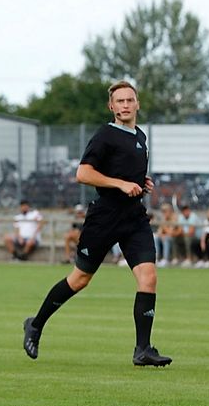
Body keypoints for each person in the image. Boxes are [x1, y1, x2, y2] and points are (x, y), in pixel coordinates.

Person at [22, 81, 171, 367]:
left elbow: (127, 174)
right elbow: (83, 173)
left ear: (138, 104)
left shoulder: (140, 136)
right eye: (120, 101)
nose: (125, 105)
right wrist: (120, 183)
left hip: (134, 218)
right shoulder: (106, 135)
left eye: (130, 100)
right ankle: (36, 324)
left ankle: (143, 349)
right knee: (80, 279)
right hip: (104, 218)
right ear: (111, 107)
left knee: (148, 278)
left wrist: (141, 183)